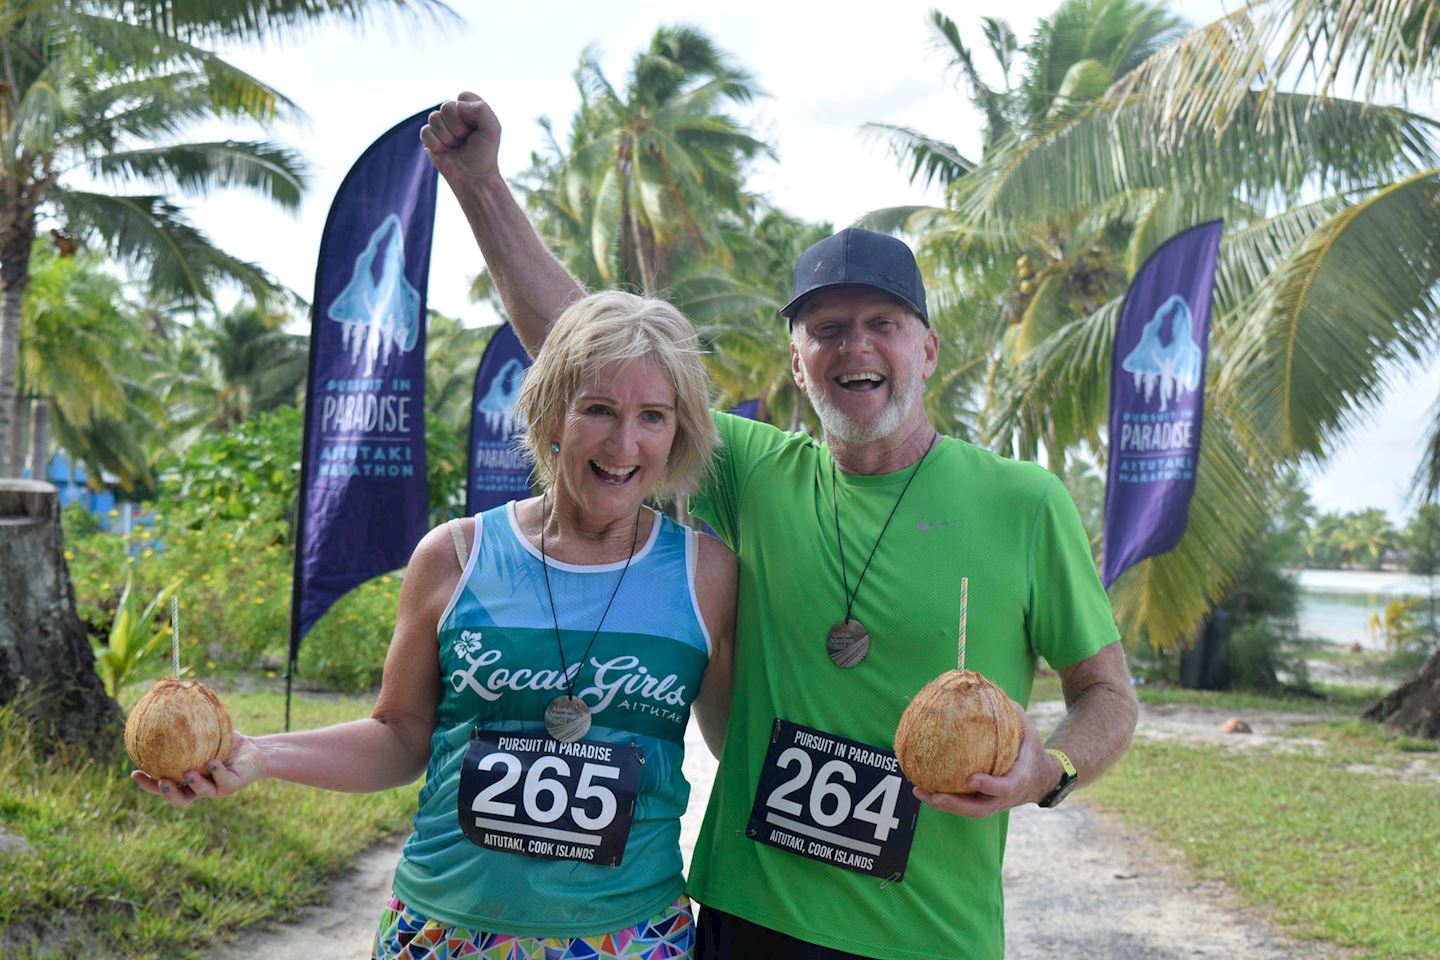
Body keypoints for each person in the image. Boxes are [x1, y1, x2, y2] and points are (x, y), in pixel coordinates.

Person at [423, 92, 1139, 960]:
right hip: (749, 915)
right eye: (826, 330)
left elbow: (1106, 694)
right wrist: (479, 186)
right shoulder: (756, 475)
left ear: (928, 350)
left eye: (883, 325)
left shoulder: (1023, 501)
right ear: (799, 365)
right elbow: (589, 342)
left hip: (929, 934)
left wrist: (1048, 772)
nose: (856, 348)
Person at [133, 291, 738, 960]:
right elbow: (398, 736)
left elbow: (737, 744)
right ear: (551, 414)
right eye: (598, 408)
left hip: (627, 938)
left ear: (678, 430)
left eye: (652, 416)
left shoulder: (705, 576)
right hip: (443, 935)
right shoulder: (455, 556)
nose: (625, 443)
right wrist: (262, 755)